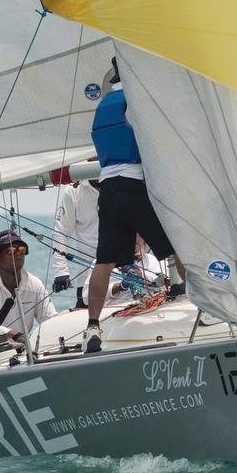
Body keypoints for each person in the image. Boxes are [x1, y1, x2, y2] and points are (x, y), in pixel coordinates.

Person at [84, 58, 183, 352]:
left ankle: (92, 327)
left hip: (107, 189)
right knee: (177, 247)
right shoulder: (134, 102)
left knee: (104, 261)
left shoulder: (101, 108)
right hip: (133, 185)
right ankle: (196, 302)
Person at [0, 229, 58, 361]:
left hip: (26, 351)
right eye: (10, 251)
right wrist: (11, 334)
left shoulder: (34, 283)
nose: (18, 254)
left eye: (22, 250)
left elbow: (50, 319)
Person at [50, 179, 100, 307]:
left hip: (127, 274)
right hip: (87, 280)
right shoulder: (73, 190)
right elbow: (61, 232)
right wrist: (61, 271)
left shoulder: (123, 180)